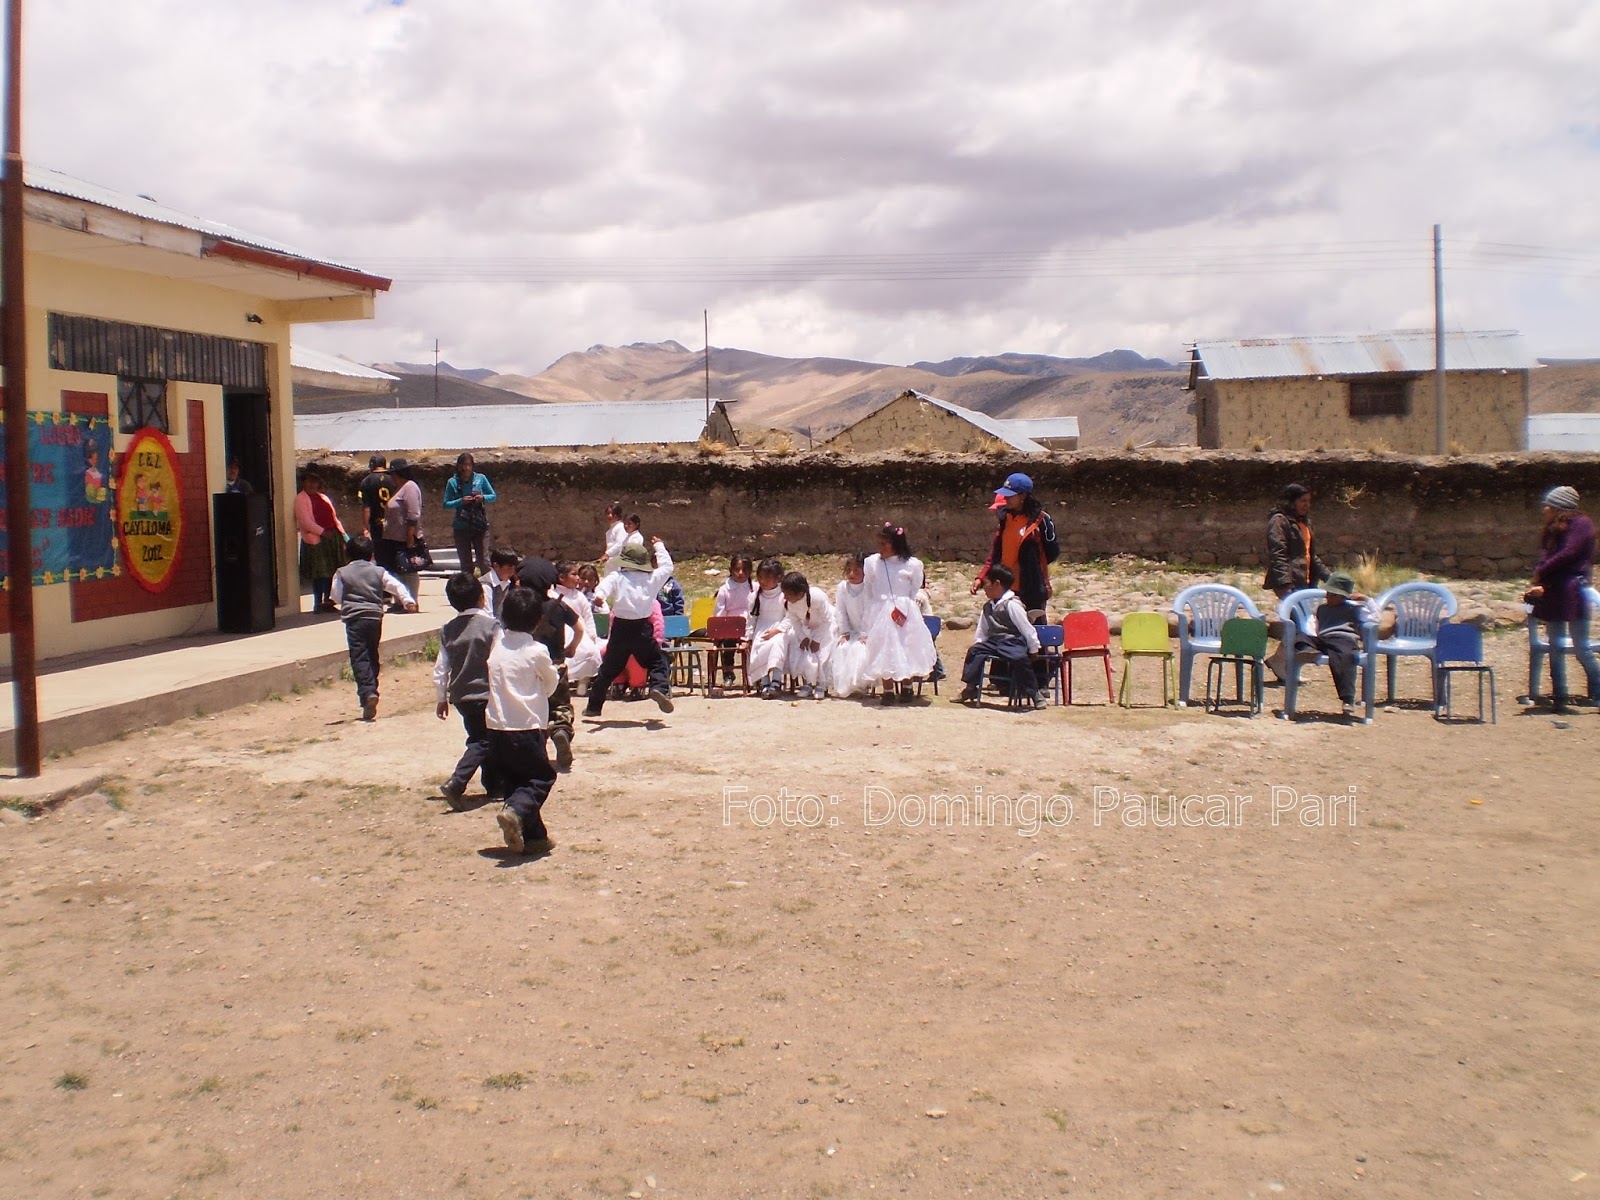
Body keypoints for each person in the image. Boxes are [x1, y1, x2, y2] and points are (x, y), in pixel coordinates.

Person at [486, 587, 560, 855]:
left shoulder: (497, 644)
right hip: (527, 727)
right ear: (538, 620)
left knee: (515, 781)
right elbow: (551, 682)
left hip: (495, 727)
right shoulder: (536, 650)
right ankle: (516, 811)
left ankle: (533, 837)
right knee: (540, 778)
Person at [1524, 485, 1599, 713]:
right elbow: (1546, 555)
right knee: (1555, 645)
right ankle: (1560, 697)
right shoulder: (1551, 529)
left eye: (1551, 505)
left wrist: (1542, 571)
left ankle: (1597, 692)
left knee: (1581, 647)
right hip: (1555, 590)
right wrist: (1540, 574)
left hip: (1574, 589)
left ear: (1561, 507)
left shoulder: (1582, 525)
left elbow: (1569, 553)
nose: (1545, 509)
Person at [584, 538, 678, 717]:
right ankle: (659, 688)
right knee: (657, 661)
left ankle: (594, 707)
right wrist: (659, 545)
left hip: (621, 629)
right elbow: (667, 567)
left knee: (608, 669)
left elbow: (603, 588)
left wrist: (599, 596)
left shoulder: (617, 577)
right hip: (642, 628)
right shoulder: (653, 578)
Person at [434, 572, 504, 807]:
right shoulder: (492, 626)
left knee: (482, 738)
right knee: (483, 741)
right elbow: (498, 661)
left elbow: (441, 668)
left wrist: (441, 697)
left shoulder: (447, 630)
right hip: (486, 693)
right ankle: (457, 782)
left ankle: (494, 786)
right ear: (482, 597)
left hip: (462, 696)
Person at [330, 536, 417, 721]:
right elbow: (396, 586)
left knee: (359, 656)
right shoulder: (378, 571)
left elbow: (336, 596)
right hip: (374, 618)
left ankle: (368, 692)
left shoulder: (342, 573)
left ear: (348, 554)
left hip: (354, 619)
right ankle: (373, 688)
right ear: (371, 555)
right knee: (372, 653)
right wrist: (408, 600)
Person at [863, 524, 938, 704]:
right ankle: (887, 689)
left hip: (904, 609)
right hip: (881, 609)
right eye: (879, 544)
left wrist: (901, 603)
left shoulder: (912, 564)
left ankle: (907, 687)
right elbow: (870, 586)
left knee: (906, 646)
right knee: (883, 648)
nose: (881, 548)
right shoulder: (872, 562)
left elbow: (914, 588)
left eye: (885, 544)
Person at [1263, 482, 1332, 679]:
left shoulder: (1304, 523)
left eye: (1308, 501)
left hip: (1306, 581)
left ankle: (1281, 662)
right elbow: (1278, 554)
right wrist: (1285, 584)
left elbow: (1311, 556)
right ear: (1291, 501)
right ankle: (1286, 666)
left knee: (1300, 624)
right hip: (1289, 582)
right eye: (1302, 501)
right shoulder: (1279, 521)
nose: (1306, 505)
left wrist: (1329, 577)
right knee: (1298, 624)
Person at [972, 473, 1060, 619]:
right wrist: (982, 577)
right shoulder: (1006, 520)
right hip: (1005, 588)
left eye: (1010, 495)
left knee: (1034, 632)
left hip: (1031, 589)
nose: (1006, 499)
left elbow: (1052, 552)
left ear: (1023, 496)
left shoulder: (1040, 521)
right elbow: (995, 553)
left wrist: (1032, 568)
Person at [957, 565, 1043, 707]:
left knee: (1019, 658)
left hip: (1012, 642)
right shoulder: (988, 607)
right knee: (975, 652)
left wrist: (1034, 648)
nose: (984, 588)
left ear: (997, 584)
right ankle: (971, 687)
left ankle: (1034, 692)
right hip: (994, 642)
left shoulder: (1012, 605)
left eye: (986, 584)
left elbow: (1027, 628)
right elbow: (982, 629)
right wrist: (979, 644)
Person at [1297, 572, 1372, 720]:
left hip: (1343, 640)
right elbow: (1312, 624)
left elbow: (1375, 617)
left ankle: (1347, 698)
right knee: (1298, 638)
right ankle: (1307, 651)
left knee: (1344, 658)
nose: (1329, 597)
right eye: (1328, 594)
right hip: (1324, 639)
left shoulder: (1354, 610)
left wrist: (1367, 600)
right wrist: (1312, 637)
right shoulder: (1321, 609)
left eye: (1334, 595)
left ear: (1343, 596)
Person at [530, 574, 582, 771]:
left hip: (529, 664)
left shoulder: (522, 605)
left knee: (535, 707)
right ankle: (561, 730)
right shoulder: (559, 605)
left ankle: (537, 749)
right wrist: (572, 647)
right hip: (556, 663)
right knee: (561, 705)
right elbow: (579, 629)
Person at [294, 468, 348, 614]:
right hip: (317, 540)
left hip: (332, 537)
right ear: (304, 482)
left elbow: (334, 518)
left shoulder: (323, 498)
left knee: (332, 571)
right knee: (319, 572)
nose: (312, 485)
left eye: (315, 482)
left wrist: (343, 535)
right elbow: (305, 521)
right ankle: (318, 602)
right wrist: (322, 532)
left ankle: (328, 601)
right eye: (309, 481)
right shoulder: (300, 499)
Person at [781, 571, 834, 700]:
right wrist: (803, 637)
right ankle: (808, 683)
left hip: (825, 628)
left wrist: (817, 640)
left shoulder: (817, 597)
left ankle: (822, 684)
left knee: (822, 653)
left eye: (788, 594)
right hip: (807, 629)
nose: (785, 598)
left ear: (799, 594)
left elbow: (828, 620)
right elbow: (795, 621)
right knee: (801, 651)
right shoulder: (790, 604)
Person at [443, 452, 497, 577]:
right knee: (466, 564)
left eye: (469, 465)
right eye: (464, 465)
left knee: (484, 561)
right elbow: (446, 504)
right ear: (459, 466)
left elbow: (493, 496)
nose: (466, 468)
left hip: (480, 525)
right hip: (461, 526)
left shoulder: (480, 479)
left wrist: (482, 498)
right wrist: (461, 501)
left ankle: (488, 589)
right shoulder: (452, 482)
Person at [554, 560, 604, 690]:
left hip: (580, 634)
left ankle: (583, 680)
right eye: (574, 574)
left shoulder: (578, 596)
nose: (578, 578)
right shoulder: (553, 595)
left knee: (590, 652)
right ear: (561, 577)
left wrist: (592, 636)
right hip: (561, 633)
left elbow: (588, 617)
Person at [381, 459, 425, 603]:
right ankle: (400, 600)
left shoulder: (410, 487)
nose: (391, 478)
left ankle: (411, 600)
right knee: (397, 570)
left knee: (409, 570)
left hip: (405, 538)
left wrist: (410, 538)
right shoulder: (399, 488)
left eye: (393, 474)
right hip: (393, 538)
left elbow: (413, 515)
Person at [829, 552, 871, 698]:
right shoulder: (842, 588)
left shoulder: (869, 588)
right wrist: (844, 632)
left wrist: (864, 634)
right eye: (848, 571)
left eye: (857, 571)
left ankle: (860, 685)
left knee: (859, 651)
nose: (851, 574)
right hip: (851, 630)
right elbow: (840, 610)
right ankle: (845, 687)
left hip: (867, 631)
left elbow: (869, 612)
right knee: (842, 649)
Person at [747, 558, 789, 698]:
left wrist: (776, 631)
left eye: (767, 578)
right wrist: (749, 637)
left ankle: (776, 681)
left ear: (778, 578)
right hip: (762, 629)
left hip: (780, 629)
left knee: (777, 643)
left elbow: (789, 617)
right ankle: (764, 682)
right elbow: (751, 619)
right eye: (760, 577)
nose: (762, 581)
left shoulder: (784, 595)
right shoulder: (755, 596)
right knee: (759, 647)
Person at [712, 555, 755, 689]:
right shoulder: (724, 590)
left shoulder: (755, 588)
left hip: (750, 624)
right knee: (728, 644)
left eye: (745, 570)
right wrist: (719, 631)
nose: (741, 573)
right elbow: (720, 611)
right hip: (730, 625)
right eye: (737, 570)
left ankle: (753, 676)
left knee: (754, 645)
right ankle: (728, 672)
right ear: (731, 570)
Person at [358, 454, 395, 545]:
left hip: (376, 525)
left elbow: (366, 508)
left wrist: (365, 528)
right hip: (394, 523)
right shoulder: (394, 479)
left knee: (379, 553)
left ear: (372, 466)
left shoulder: (366, 482)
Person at [481, 546, 521, 619]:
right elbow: (488, 617)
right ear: (496, 566)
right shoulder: (485, 586)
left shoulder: (508, 582)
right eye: (509, 567)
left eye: (514, 568)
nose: (512, 572)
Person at [598, 502, 627, 575]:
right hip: (610, 561)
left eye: (613, 514)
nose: (610, 516)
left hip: (617, 561)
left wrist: (607, 554)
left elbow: (620, 544)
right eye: (608, 513)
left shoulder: (620, 527)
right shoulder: (611, 530)